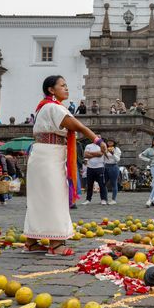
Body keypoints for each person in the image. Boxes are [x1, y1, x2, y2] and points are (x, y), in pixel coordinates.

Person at [23, 75, 100, 256]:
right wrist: (97, 139)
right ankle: (56, 244)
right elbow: (77, 126)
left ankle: (31, 241)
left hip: (44, 154)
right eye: (62, 86)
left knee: (40, 198)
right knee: (55, 197)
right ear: (51, 90)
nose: (67, 89)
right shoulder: (52, 107)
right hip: (49, 155)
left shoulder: (46, 107)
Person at [102, 139, 122, 204]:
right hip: (106, 167)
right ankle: (104, 199)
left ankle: (113, 200)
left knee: (114, 183)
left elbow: (118, 159)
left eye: (111, 141)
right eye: (108, 141)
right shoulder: (105, 148)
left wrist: (113, 154)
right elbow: (102, 158)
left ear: (114, 142)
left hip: (113, 166)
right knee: (103, 183)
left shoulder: (117, 149)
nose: (110, 142)